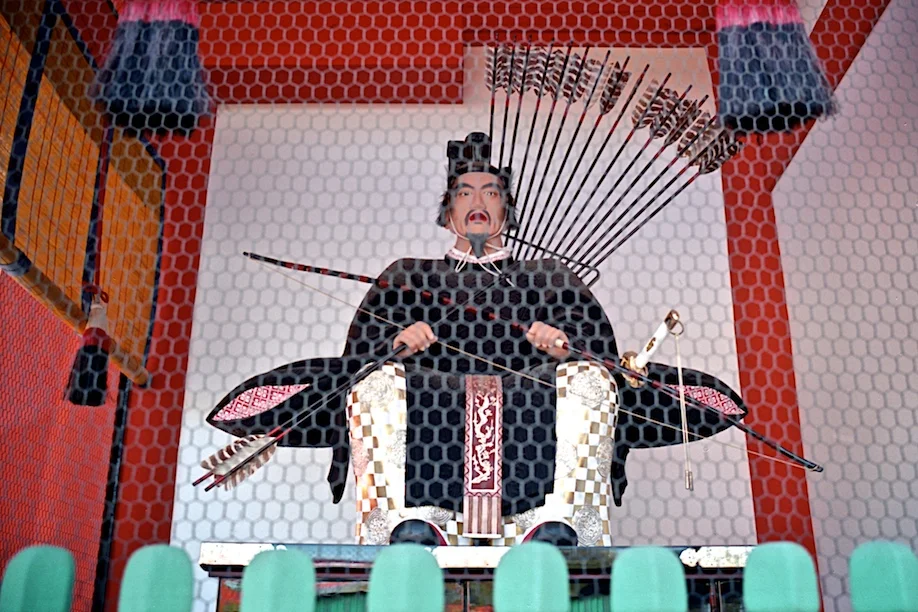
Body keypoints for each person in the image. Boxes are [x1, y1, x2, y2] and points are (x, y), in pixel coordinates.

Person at [205, 132, 747, 547]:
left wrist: (565, 346)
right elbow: (356, 361)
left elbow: (601, 355)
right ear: (447, 214)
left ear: (507, 210)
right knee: (375, 385)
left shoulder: (549, 278)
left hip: (533, 415)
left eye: (491, 192)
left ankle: (558, 520)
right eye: (464, 192)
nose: (478, 200)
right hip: (430, 416)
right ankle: (411, 522)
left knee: (588, 381)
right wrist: (395, 346)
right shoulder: (408, 275)